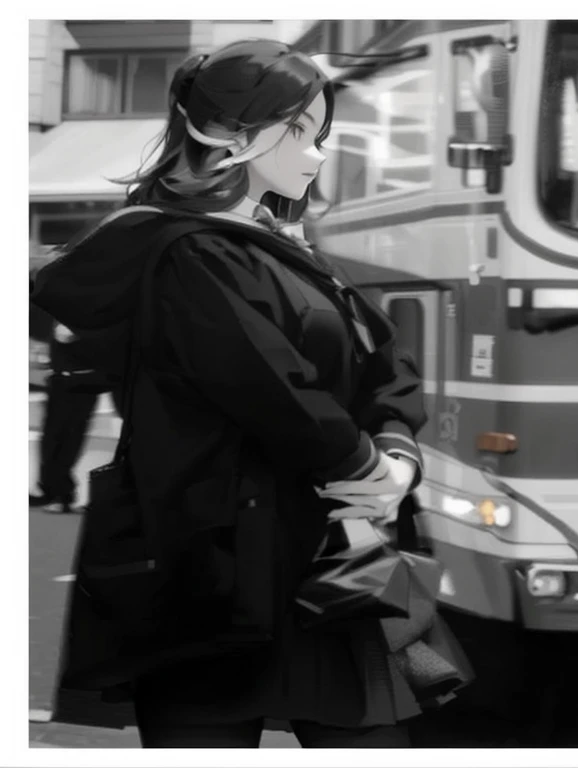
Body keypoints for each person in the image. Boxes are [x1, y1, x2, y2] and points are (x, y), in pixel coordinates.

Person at [31, 40, 443, 748]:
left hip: (328, 555)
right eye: (300, 133)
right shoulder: (188, 251)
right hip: (213, 569)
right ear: (230, 134)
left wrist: (397, 459)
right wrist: (369, 471)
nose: (316, 156)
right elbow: (269, 384)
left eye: (319, 136)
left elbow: (389, 366)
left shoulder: (285, 251)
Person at [28, 320, 115, 514]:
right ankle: (49, 489)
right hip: (60, 379)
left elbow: (70, 336)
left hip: (81, 380)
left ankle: (63, 494)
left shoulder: (88, 316)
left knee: (68, 438)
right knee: (51, 438)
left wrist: (78, 334)